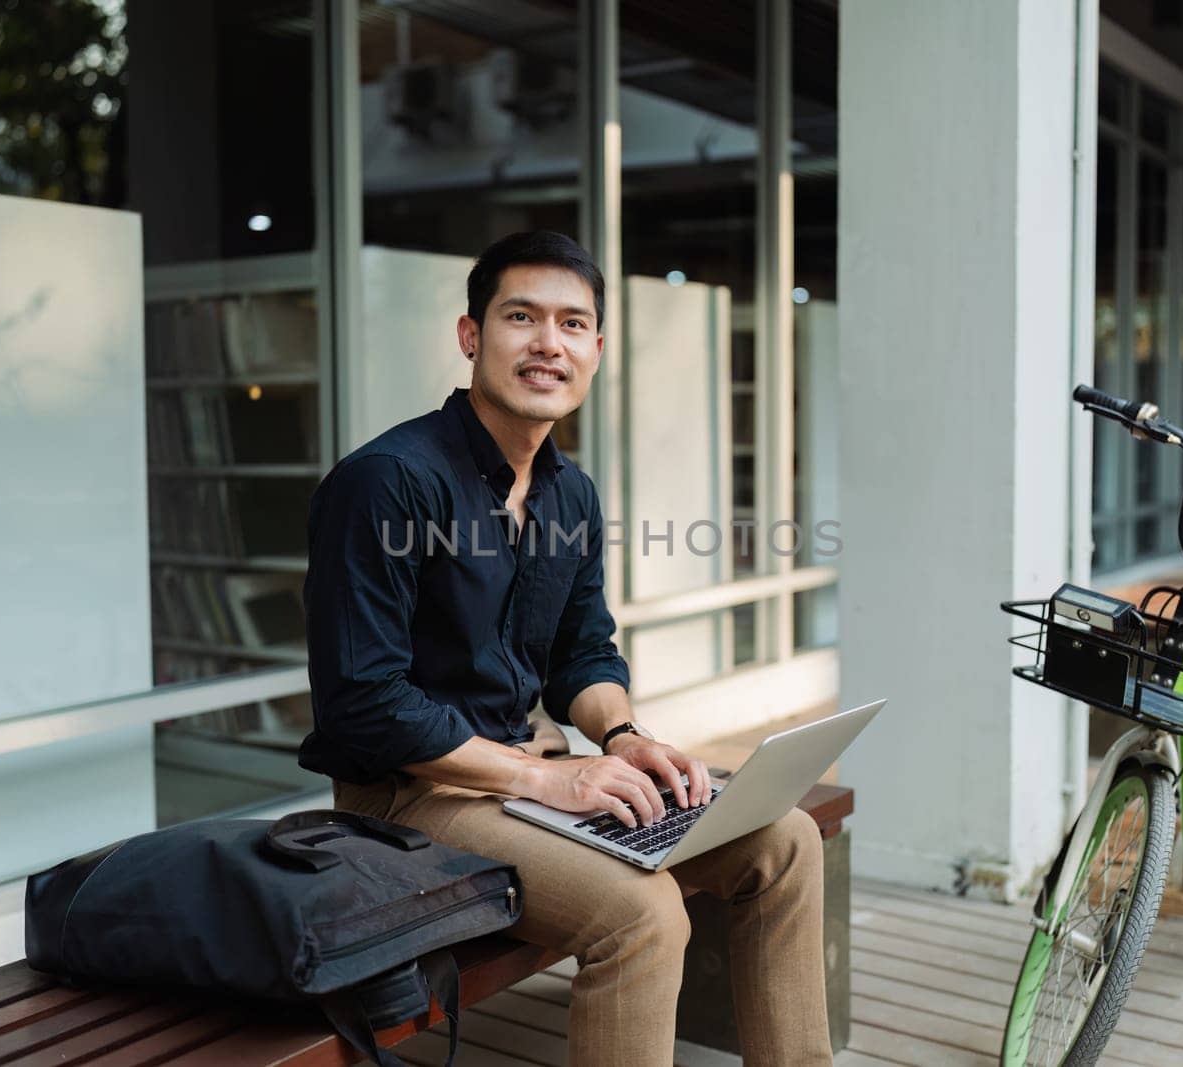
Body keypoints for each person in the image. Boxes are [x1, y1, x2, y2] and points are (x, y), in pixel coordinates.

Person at [301, 231, 831, 1066]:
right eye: (522, 316)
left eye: (573, 324)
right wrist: (547, 775)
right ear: (471, 335)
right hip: (408, 799)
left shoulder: (568, 490)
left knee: (786, 837)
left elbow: (584, 654)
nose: (549, 342)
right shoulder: (386, 481)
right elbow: (364, 703)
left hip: (526, 780)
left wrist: (625, 739)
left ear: (596, 350)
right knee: (644, 913)